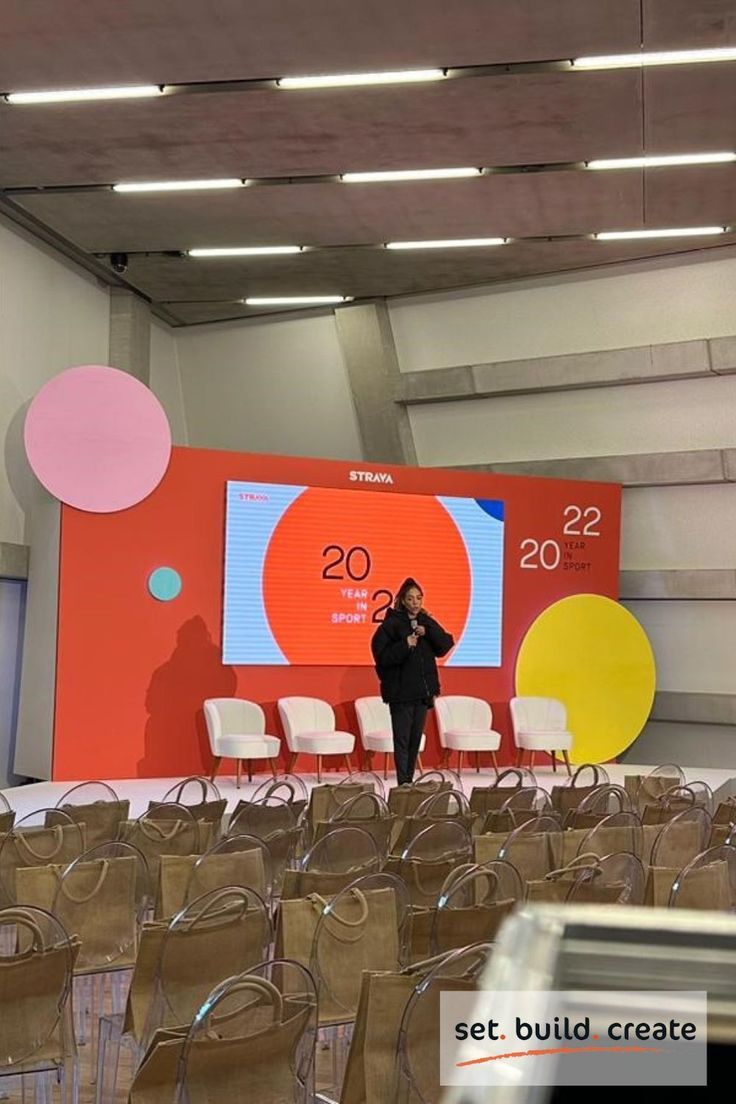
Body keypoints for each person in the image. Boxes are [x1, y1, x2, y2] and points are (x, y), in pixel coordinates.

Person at [370, 577, 455, 785]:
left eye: (418, 598)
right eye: (410, 598)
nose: (415, 602)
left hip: (422, 694)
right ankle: (403, 784)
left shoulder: (426, 622)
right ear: (402, 600)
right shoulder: (391, 625)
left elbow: (445, 644)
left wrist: (429, 632)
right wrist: (405, 645)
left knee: (415, 741)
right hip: (401, 694)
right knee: (402, 741)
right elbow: (382, 657)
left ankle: (409, 781)